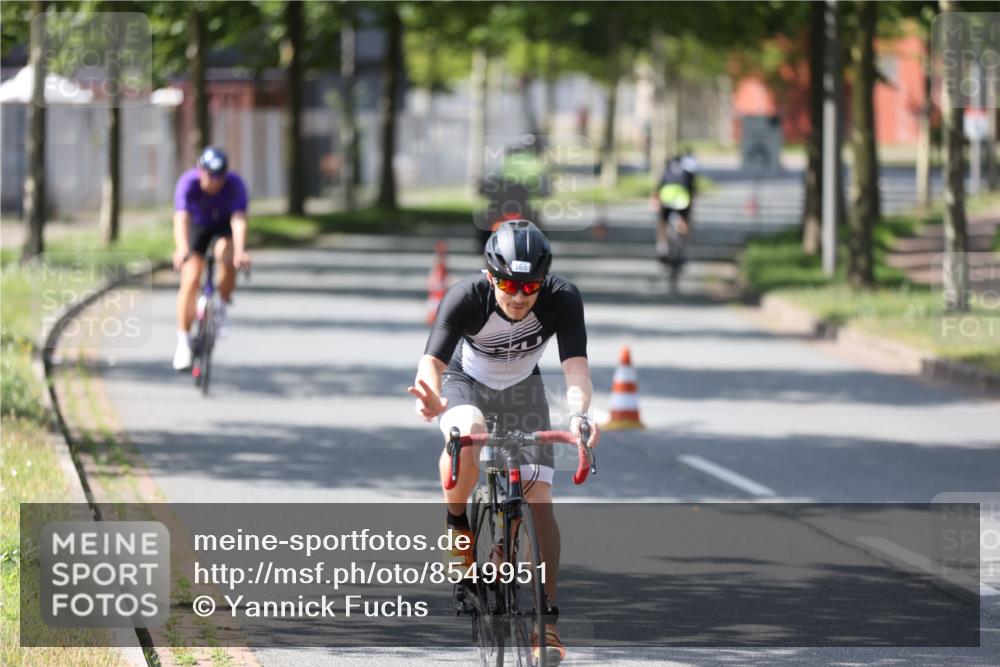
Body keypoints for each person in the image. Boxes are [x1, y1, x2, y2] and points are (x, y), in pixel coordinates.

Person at [408, 220, 599, 664]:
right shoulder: (466, 297)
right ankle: (458, 525)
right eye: (509, 284)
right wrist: (430, 394)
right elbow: (431, 363)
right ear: (491, 276)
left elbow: (576, 368)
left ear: (543, 280)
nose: (518, 296)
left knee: (540, 497)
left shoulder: (563, 299)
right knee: (468, 435)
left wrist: (580, 415)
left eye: (530, 285)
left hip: (521, 389)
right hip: (464, 382)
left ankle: (545, 624)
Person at [171, 146, 251, 371]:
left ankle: (223, 306)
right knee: (191, 278)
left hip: (222, 227)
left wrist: (241, 250)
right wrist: (182, 248)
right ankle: (183, 342)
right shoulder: (188, 183)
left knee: (226, 253)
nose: (213, 181)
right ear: (200, 170)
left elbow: (239, 220)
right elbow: (181, 218)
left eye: (219, 176)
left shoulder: (235, 185)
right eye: (208, 174)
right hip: (198, 228)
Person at [650, 148, 698, 260]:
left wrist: (654, 200)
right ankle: (683, 239)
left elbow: (658, 188)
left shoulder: (666, 171)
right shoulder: (687, 173)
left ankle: (662, 246)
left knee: (662, 222)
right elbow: (692, 191)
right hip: (682, 201)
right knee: (684, 221)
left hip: (666, 199)